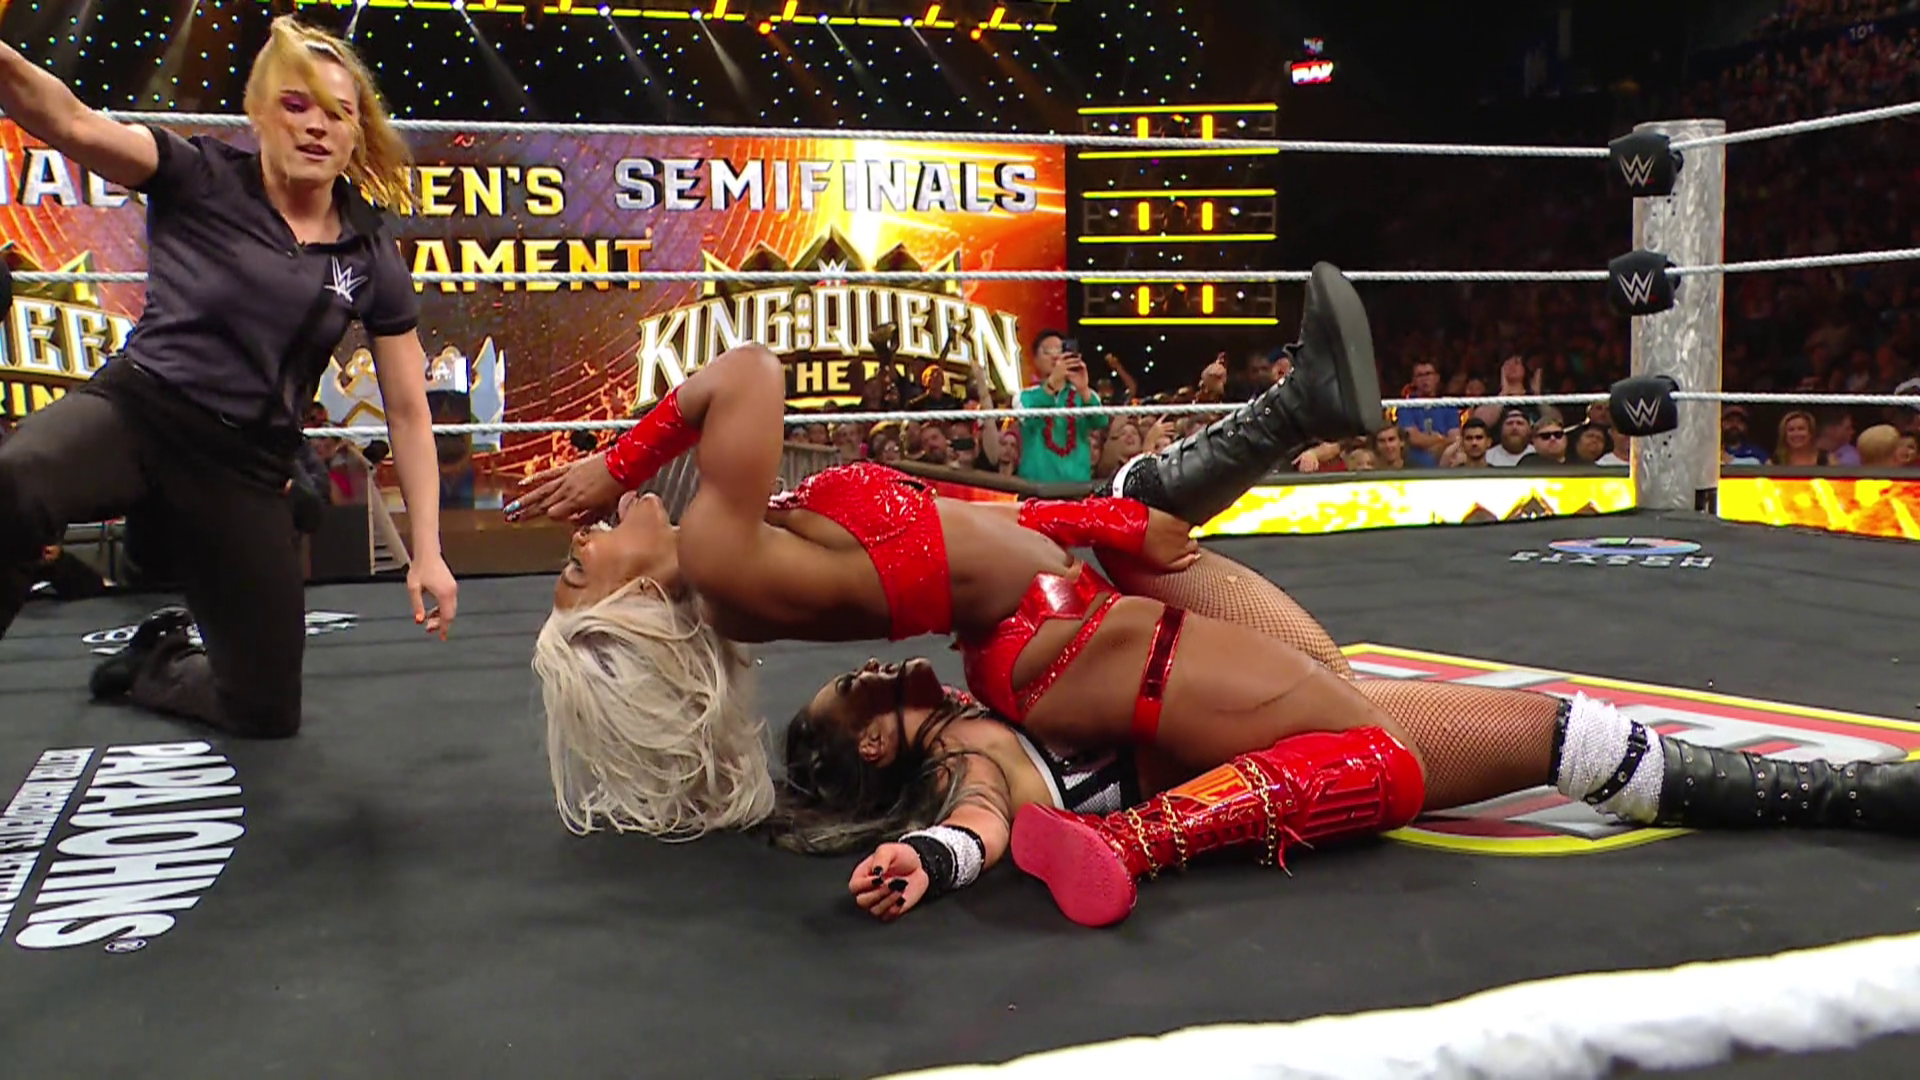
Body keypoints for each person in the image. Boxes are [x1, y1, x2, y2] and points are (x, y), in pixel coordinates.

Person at [511, 265, 1386, 839]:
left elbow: (950, 540)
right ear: (636, 603)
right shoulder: (715, 553)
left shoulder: (733, 551)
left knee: (1154, 512)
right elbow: (749, 371)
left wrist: (1100, 522)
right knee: (1361, 732)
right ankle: (1138, 845)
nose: (579, 534)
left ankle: (1301, 405)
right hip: (1055, 640)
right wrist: (616, 463)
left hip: (1045, 608)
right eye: (579, 567)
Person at [0, 17, 459, 737]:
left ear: (357, 133)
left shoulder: (368, 250)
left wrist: (427, 551)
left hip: (245, 463)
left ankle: (156, 662)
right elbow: (68, 119)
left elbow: (407, 409)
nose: (317, 126)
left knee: (265, 710)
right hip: (141, 412)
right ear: (261, 114)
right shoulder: (200, 175)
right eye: (297, 105)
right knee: (17, 477)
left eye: (338, 113)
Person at [779, 645, 1920, 928]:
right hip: (1294, 752)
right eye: (854, 691)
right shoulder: (970, 757)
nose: (874, 668)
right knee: (1576, 739)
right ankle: (1851, 798)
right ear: (876, 747)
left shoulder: (992, 672)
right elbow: (983, 820)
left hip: (1272, 695)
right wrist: (930, 859)